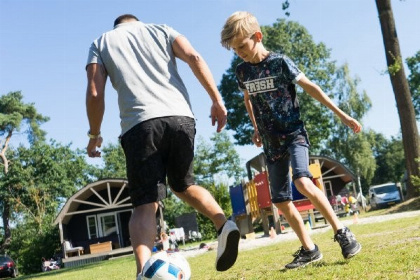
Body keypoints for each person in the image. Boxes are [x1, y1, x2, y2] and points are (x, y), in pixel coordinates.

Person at [85, 14, 240, 279]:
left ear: (117, 25)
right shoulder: (162, 30)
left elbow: (95, 92)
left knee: (145, 204)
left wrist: (95, 134)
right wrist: (216, 99)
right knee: (184, 185)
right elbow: (195, 58)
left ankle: (143, 272)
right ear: (136, 22)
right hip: (181, 118)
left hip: (140, 124)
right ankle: (222, 223)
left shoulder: (102, 42)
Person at [220, 11, 361, 269]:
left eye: (242, 45)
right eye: (234, 49)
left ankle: (342, 232)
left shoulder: (280, 63)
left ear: (257, 37)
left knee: (303, 180)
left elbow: (310, 87)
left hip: (294, 134)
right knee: (281, 200)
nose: (239, 52)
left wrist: (342, 115)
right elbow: (248, 99)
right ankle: (309, 249)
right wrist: (255, 128)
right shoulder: (242, 72)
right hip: (271, 143)